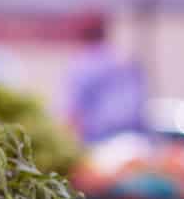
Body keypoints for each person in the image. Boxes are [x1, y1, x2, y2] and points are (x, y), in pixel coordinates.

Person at [61, 13, 145, 142]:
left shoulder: (82, 64)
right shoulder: (126, 60)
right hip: (133, 138)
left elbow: (73, 111)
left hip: (97, 141)